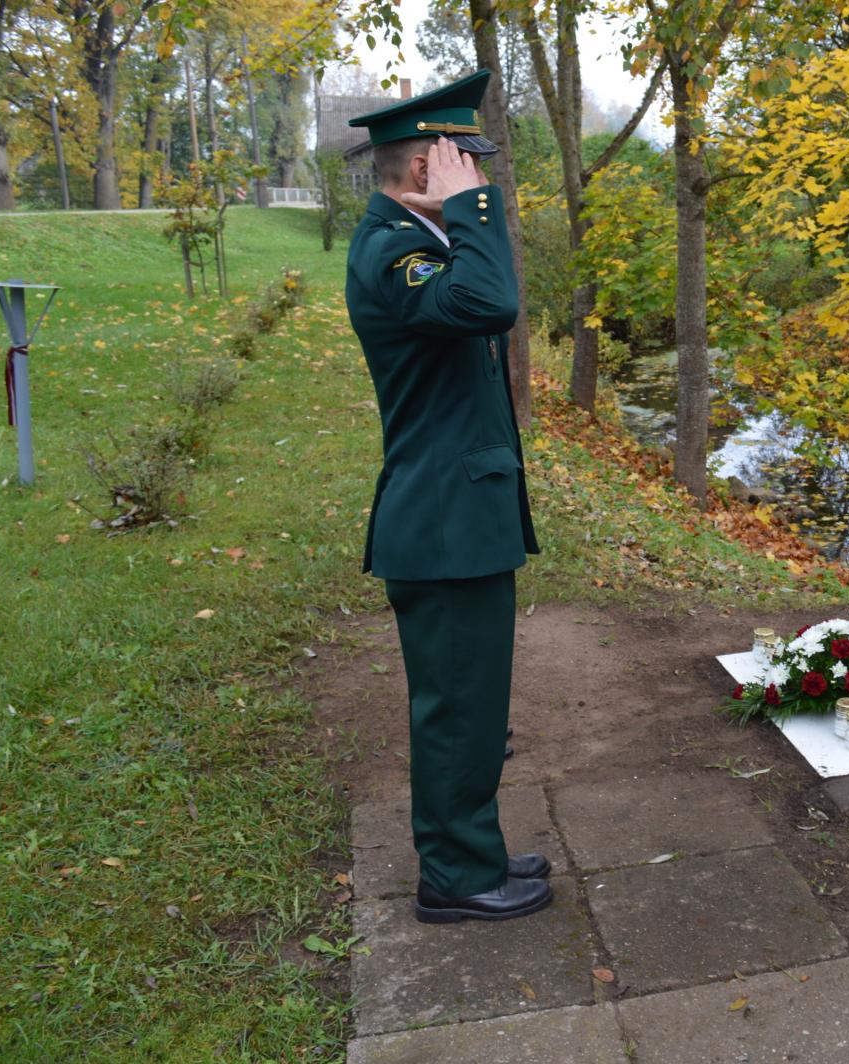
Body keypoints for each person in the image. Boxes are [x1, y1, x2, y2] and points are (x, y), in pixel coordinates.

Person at [344, 71, 549, 923]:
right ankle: (457, 877)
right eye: (470, 161)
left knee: (471, 703)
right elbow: (492, 302)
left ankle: (472, 849)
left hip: (456, 518)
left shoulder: (418, 242)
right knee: (458, 710)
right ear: (431, 165)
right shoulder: (395, 250)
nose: (482, 176)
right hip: (443, 525)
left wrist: (462, 213)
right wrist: (472, 210)